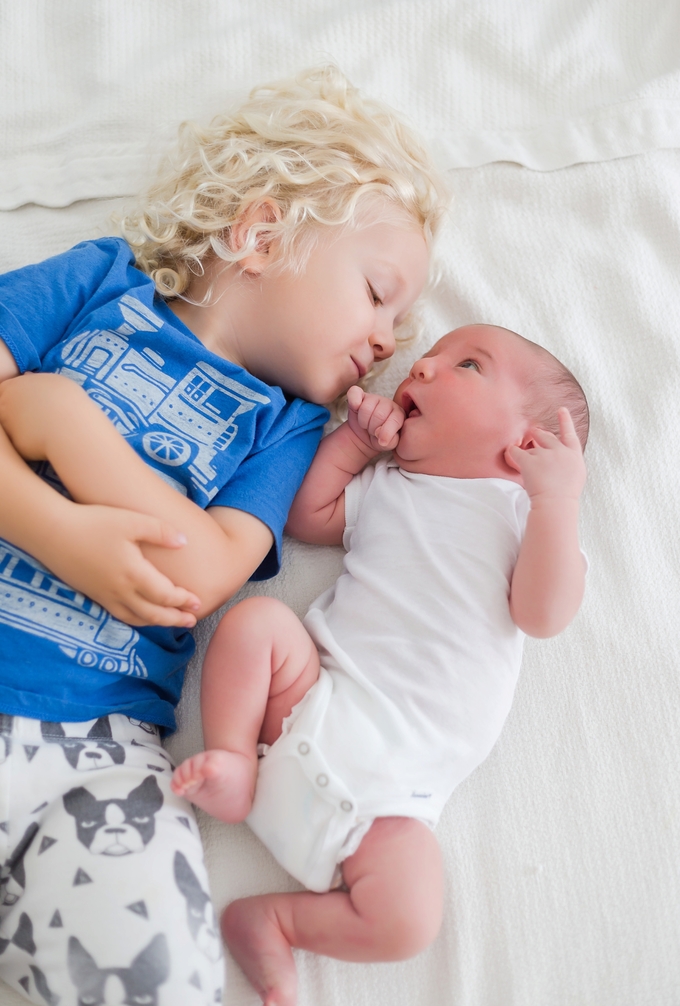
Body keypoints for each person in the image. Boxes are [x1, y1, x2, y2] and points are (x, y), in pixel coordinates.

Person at [0, 66, 446, 1005]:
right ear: (259, 232)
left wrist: (55, 420)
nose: (387, 338)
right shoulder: (96, 282)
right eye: (375, 291)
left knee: (156, 970)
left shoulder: (284, 429)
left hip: (96, 754)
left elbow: (199, 573)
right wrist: (45, 523)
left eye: (398, 322)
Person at [170, 323, 589, 1006]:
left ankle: (273, 922)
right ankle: (234, 763)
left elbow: (543, 615)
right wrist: (354, 445)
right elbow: (308, 517)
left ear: (530, 445)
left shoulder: (527, 516)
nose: (420, 368)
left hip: (397, 796)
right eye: (432, 355)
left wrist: (558, 500)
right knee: (256, 623)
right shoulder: (390, 485)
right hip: (312, 701)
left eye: (469, 364)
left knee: (410, 919)